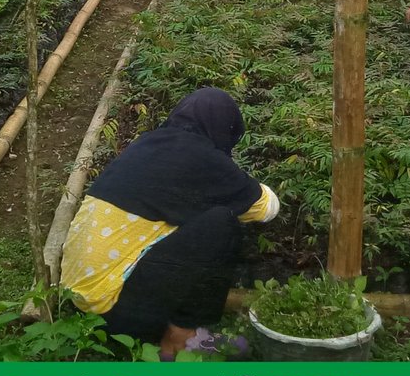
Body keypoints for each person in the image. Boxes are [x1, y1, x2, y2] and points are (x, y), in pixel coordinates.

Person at [60, 87, 279, 357]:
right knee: (221, 223)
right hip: (114, 308)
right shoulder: (200, 157)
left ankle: (164, 328)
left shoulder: (146, 144)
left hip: (79, 299)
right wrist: (231, 186)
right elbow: (266, 208)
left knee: (190, 219)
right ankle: (180, 336)